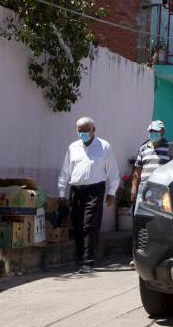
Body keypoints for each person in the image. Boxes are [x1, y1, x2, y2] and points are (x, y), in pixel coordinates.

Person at [58, 117, 120, 273]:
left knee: (89, 224)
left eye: (85, 131)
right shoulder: (73, 147)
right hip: (76, 190)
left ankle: (88, 261)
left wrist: (111, 193)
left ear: (94, 130)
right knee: (77, 225)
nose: (82, 134)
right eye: (79, 131)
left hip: (95, 190)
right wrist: (61, 192)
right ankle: (80, 258)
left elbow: (113, 172)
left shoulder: (104, 147)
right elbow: (65, 171)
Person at [129, 121, 171, 210]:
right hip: (143, 191)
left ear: (162, 132)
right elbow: (137, 170)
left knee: (159, 220)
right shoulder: (143, 148)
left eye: (155, 131)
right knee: (140, 219)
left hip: (161, 192)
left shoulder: (170, 148)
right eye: (150, 131)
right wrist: (133, 188)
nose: (152, 134)